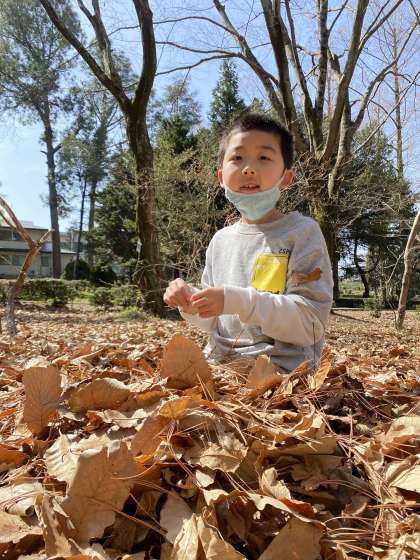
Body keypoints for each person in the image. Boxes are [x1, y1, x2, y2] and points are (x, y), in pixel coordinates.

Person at [163, 113, 333, 372]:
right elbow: (213, 322)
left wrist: (238, 301)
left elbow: (310, 325)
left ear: (286, 178)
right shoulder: (220, 241)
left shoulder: (302, 233)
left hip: (282, 374)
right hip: (218, 368)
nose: (248, 169)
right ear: (221, 177)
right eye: (237, 158)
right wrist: (189, 303)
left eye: (264, 158)